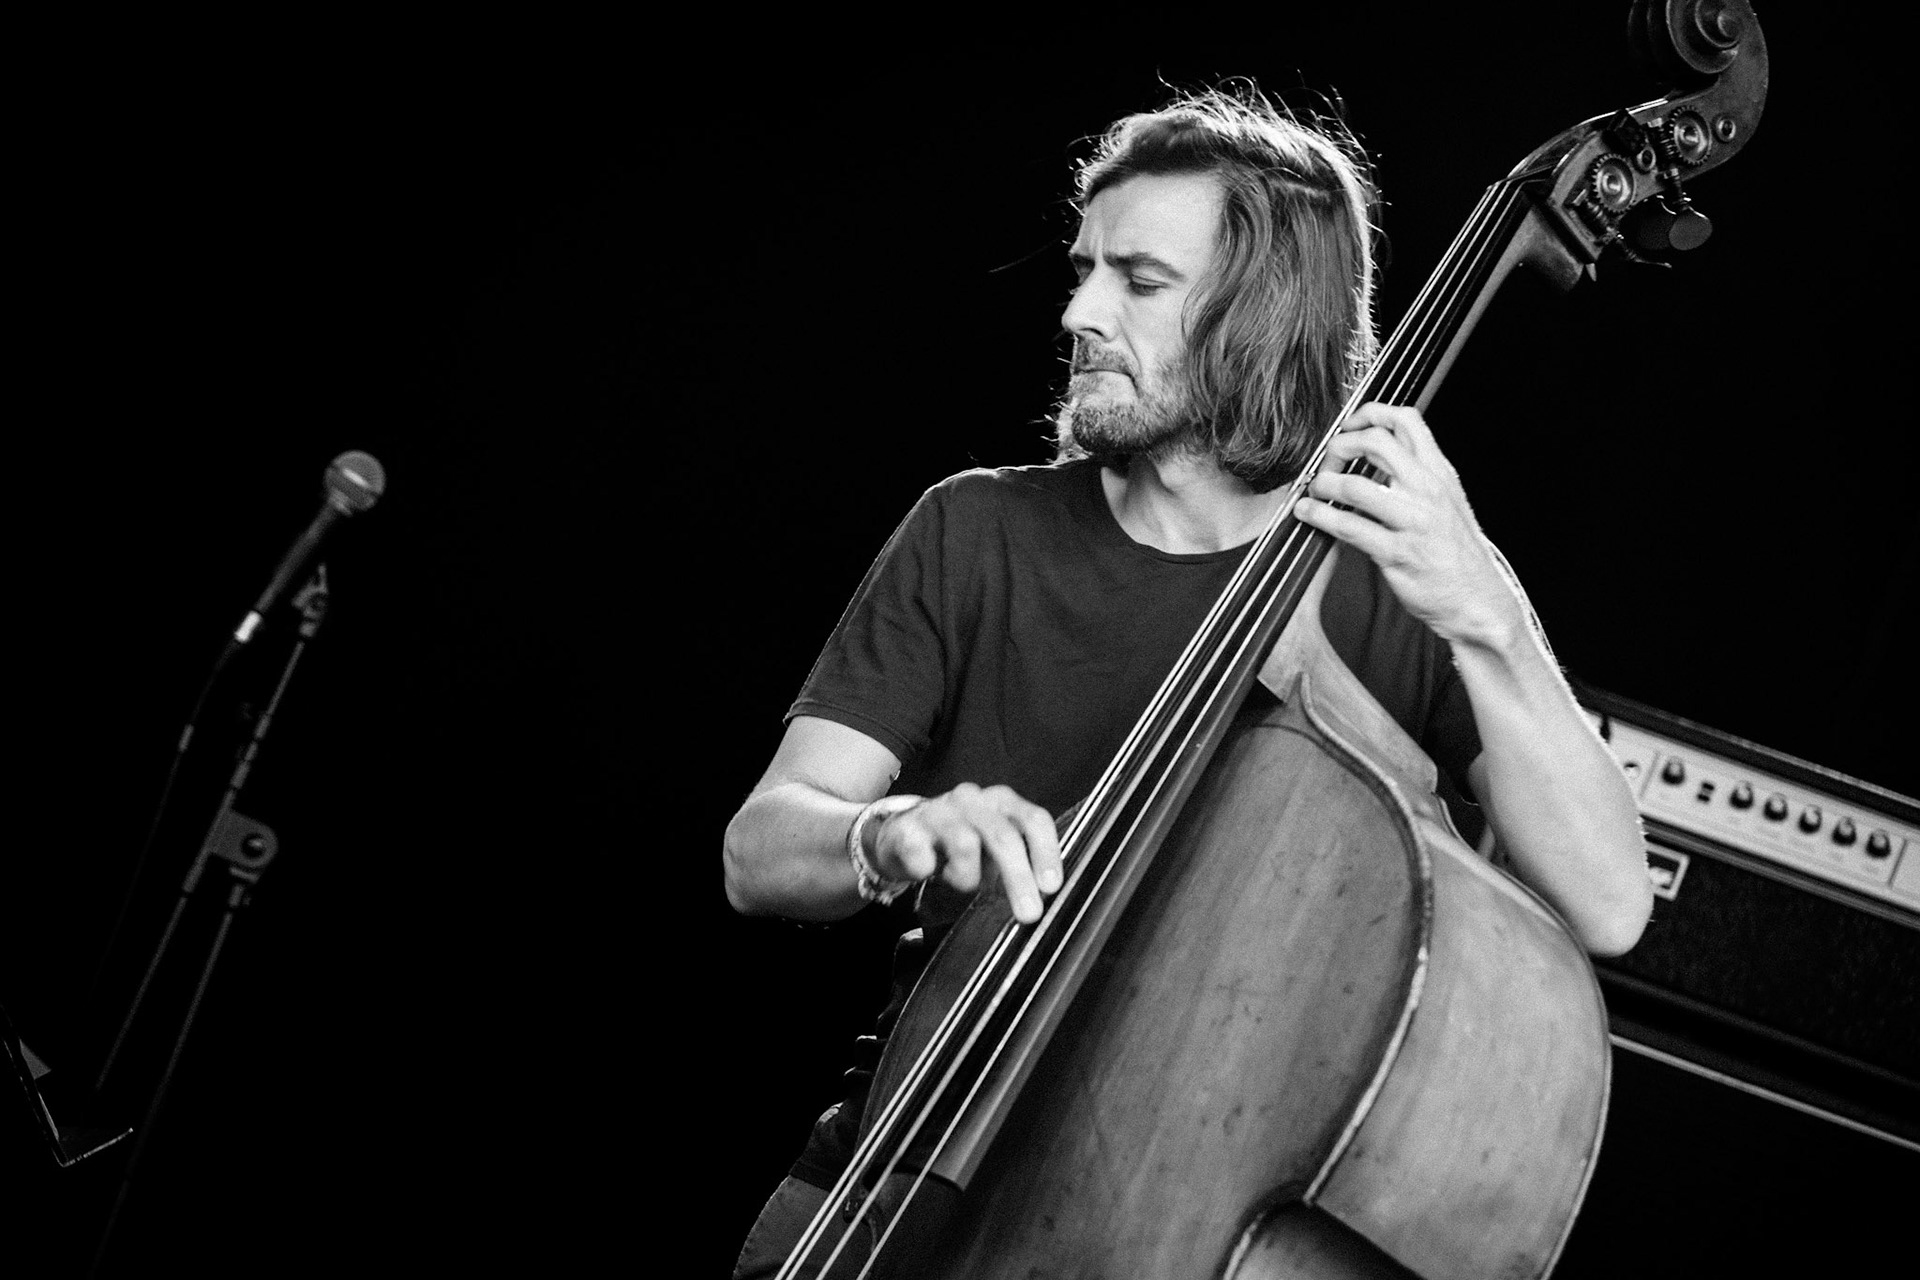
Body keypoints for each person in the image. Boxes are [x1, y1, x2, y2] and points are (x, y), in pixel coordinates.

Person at [722, 88, 1652, 1277]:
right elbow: (759, 851)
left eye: (1139, 280)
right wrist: (891, 832)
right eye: (1085, 269)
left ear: (1262, 314)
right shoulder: (975, 529)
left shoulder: (1406, 576)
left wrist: (1490, 616)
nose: (1078, 311)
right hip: (884, 1187)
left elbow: (1608, 903)